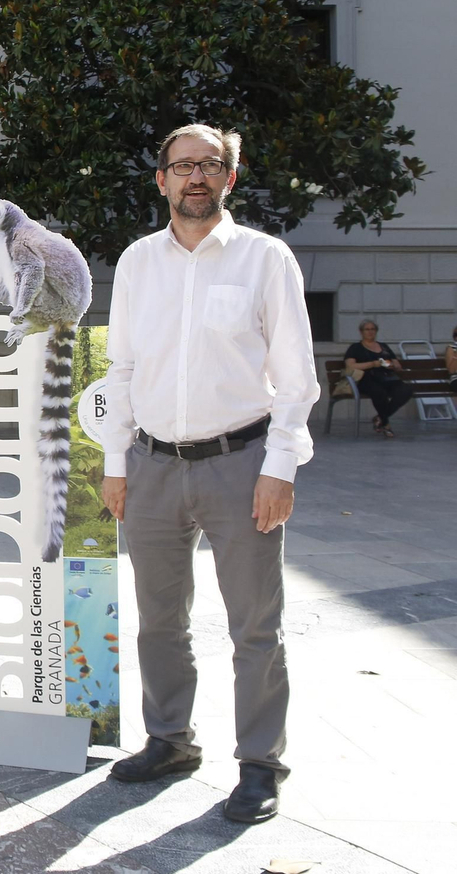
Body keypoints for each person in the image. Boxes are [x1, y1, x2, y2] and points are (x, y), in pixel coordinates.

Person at [100, 124, 318, 825]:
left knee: (256, 626)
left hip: (242, 463)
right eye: (182, 165)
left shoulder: (265, 258)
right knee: (160, 621)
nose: (196, 176)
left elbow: (295, 376)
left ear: (231, 175)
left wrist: (280, 466)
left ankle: (259, 765)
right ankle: (169, 741)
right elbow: (123, 368)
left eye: (210, 165)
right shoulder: (138, 261)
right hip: (154, 464)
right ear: (160, 179)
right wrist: (116, 461)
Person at [343, 319, 414, 437]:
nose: (370, 332)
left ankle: (380, 417)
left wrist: (392, 365)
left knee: (406, 389)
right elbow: (350, 366)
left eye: (373, 329)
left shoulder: (384, 346)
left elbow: (397, 364)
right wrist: (372, 364)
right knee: (379, 392)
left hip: (387, 377)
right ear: (361, 332)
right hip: (366, 379)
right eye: (367, 329)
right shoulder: (355, 348)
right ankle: (386, 424)